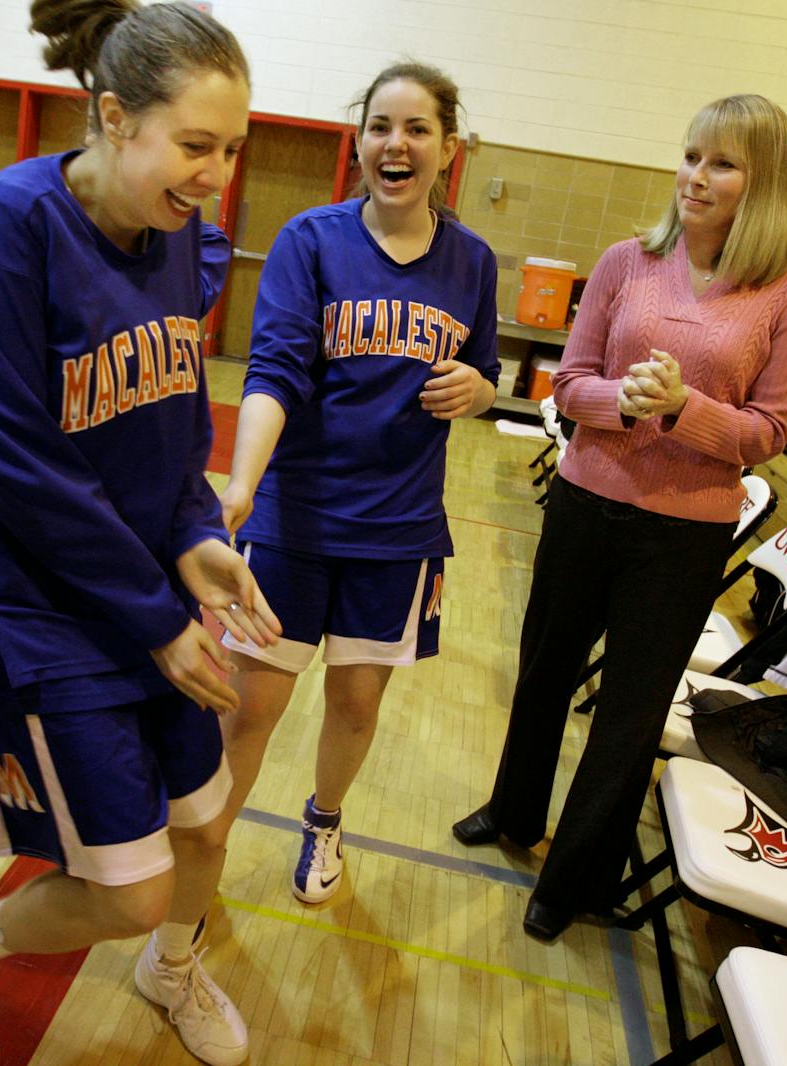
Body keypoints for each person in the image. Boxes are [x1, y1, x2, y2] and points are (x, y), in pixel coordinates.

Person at [0, 2, 279, 1063]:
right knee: (125, 889)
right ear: (114, 117)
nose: (215, 172)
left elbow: (167, 427)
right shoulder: (0, 227)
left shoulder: (175, 237)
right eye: (196, 144)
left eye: (230, 149)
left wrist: (196, 535)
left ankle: (172, 971)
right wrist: (158, 610)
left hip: (138, 594)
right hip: (34, 605)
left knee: (205, 824)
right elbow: (9, 459)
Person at [452, 94, 787, 943]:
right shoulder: (628, 260)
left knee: (628, 710)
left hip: (682, 534)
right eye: (692, 155)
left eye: (722, 163)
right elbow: (567, 382)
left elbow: (767, 433)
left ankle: (576, 876)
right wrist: (622, 404)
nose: (697, 175)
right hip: (586, 501)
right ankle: (514, 813)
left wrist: (684, 407)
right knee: (545, 671)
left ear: (763, 182)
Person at [215, 61, 499, 904]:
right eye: (380, 125)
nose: (396, 143)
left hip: (398, 532)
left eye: (416, 129)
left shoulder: (473, 262)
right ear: (359, 138)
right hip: (296, 520)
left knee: (357, 705)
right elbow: (272, 375)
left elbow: (483, 374)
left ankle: (325, 821)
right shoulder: (311, 239)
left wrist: (480, 392)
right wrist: (240, 487)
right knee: (249, 711)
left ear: (448, 148)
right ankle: (207, 848)